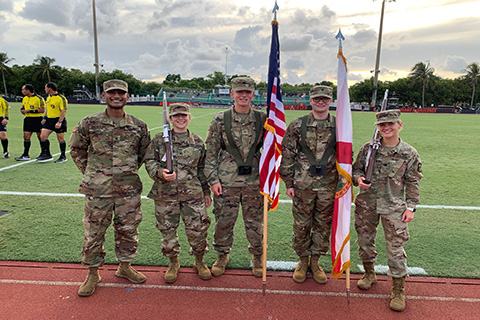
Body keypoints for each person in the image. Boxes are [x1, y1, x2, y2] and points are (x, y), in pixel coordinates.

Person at [70, 79, 151, 297]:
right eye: (111, 92)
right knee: (94, 232)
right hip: (98, 190)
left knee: (128, 230)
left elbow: (143, 154)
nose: (116, 96)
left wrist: (126, 171)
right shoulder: (89, 122)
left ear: (127, 96)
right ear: (104, 95)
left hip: (128, 189)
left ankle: (124, 267)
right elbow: (77, 149)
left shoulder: (139, 125)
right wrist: (93, 173)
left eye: (121, 93)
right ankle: (92, 273)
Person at [352, 109, 423, 312]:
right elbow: (355, 169)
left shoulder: (409, 153)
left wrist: (411, 208)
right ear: (378, 128)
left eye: (390, 124)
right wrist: (358, 179)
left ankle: (398, 290)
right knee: (365, 241)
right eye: (382, 125)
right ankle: (369, 273)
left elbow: (413, 181)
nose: (386, 128)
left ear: (400, 125)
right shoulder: (368, 149)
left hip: (394, 207)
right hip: (367, 204)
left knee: (395, 249)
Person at [204, 76, 266, 278]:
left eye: (247, 92)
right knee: (224, 221)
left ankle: (257, 256)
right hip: (226, 181)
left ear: (253, 95)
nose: (243, 95)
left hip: (254, 182)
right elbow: (211, 152)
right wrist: (213, 180)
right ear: (232, 94)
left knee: (255, 223)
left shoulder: (262, 119)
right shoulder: (221, 120)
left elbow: (273, 150)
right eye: (239, 92)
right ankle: (222, 255)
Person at [145, 103, 212, 283]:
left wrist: (206, 192)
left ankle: (199, 261)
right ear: (170, 119)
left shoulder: (197, 142)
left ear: (189, 118)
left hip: (193, 194)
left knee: (198, 230)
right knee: (167, 231)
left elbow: (202, 169)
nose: (180, 119)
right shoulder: (160, 140)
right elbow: (150, 161)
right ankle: (173, 263)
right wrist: (160, 173)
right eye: (176, 116)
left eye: (184, 115)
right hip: (165, 194)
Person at [279, 85, 337, 284]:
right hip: (303, 185)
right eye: (317, 99)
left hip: (329, 186)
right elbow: (287, 155)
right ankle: (302, 261)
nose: (321, 102)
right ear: (310, 100)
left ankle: (316, 261)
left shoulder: (340, 125)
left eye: (325, 99)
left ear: (331, 100)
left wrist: (344, 184)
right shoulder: (297, 125)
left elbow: (346, 155)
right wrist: (288, 182)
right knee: (302, 225)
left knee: (322, 225)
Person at [37, 82, 68, 163]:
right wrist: (44, 117)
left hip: (58, 120)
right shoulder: (48, 98)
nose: (45, 89)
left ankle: (63, 156)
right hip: (49, 120)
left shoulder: (61, 98)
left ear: (50, 88)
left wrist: (59, 122)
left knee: (60, 139)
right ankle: (47, 154)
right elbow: (48, 109)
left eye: (45, 88)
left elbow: (63, 110)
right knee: (43, 136)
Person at [15, 84, 45, 161]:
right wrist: (22, 110)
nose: (22, 91)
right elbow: (23, 107)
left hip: (38, 119)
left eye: (23, 89)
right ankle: (25, 154)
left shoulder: (39, 98)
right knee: (26, 137)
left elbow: (42, 110)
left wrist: (29, 111)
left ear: (28, 90)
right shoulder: (24, 98)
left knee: (40, 137)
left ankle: (43, 153)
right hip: (28, 119)